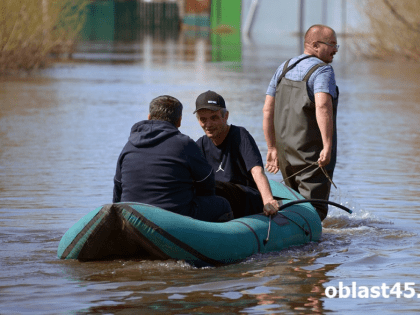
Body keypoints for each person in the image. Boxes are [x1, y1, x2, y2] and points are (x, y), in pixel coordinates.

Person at [113, 95, 233, 222]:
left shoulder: (129, 145)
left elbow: (118, 188)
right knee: (222, 204)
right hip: (174, 218)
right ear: (179, 121)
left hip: (131, 216)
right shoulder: (185, 144)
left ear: (149, 117)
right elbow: (207, 182)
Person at [263, 24, 339, 221]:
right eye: (332, 45)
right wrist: (328, 146)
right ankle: (312, 252)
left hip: (285, 155)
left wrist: (271, 147)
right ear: (315, 45)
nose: (336, 50)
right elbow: (323, 106)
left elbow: (267, 109)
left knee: (293, 205)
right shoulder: (323, 71)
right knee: (313, 212)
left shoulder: (284, 67)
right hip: (311, 155)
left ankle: (291, 247)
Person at [194, 90, 279, 218]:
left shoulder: (240, 135)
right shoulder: (200, 144)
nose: (208, 125)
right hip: (217, 198)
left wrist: (268, 200)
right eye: (203, 119)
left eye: (214, 118)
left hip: (246, 198)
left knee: (215, 186)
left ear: (225, 116)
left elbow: (257, 171)